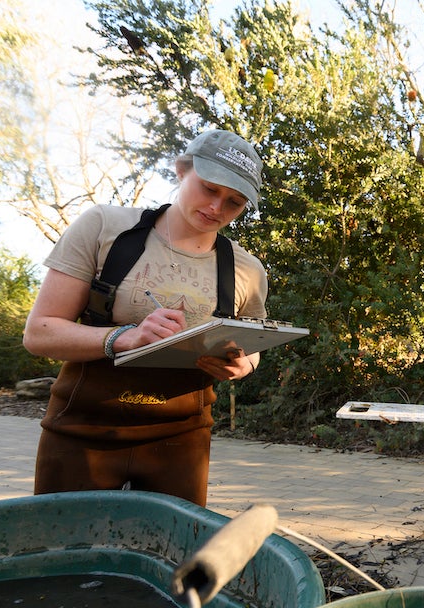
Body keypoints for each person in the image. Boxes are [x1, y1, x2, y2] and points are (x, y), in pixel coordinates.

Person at [23, 129, 268, 507]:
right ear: (181, 170)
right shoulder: (105, 227)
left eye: (234, 202)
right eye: (209, 188)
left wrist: (242, 365)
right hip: (84, 430)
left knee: (169, 561)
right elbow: (39, 333)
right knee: (67, 553)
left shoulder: (247, 270)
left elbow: (253, 348)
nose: (217, 207)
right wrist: (123, 337)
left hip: (181, 440)